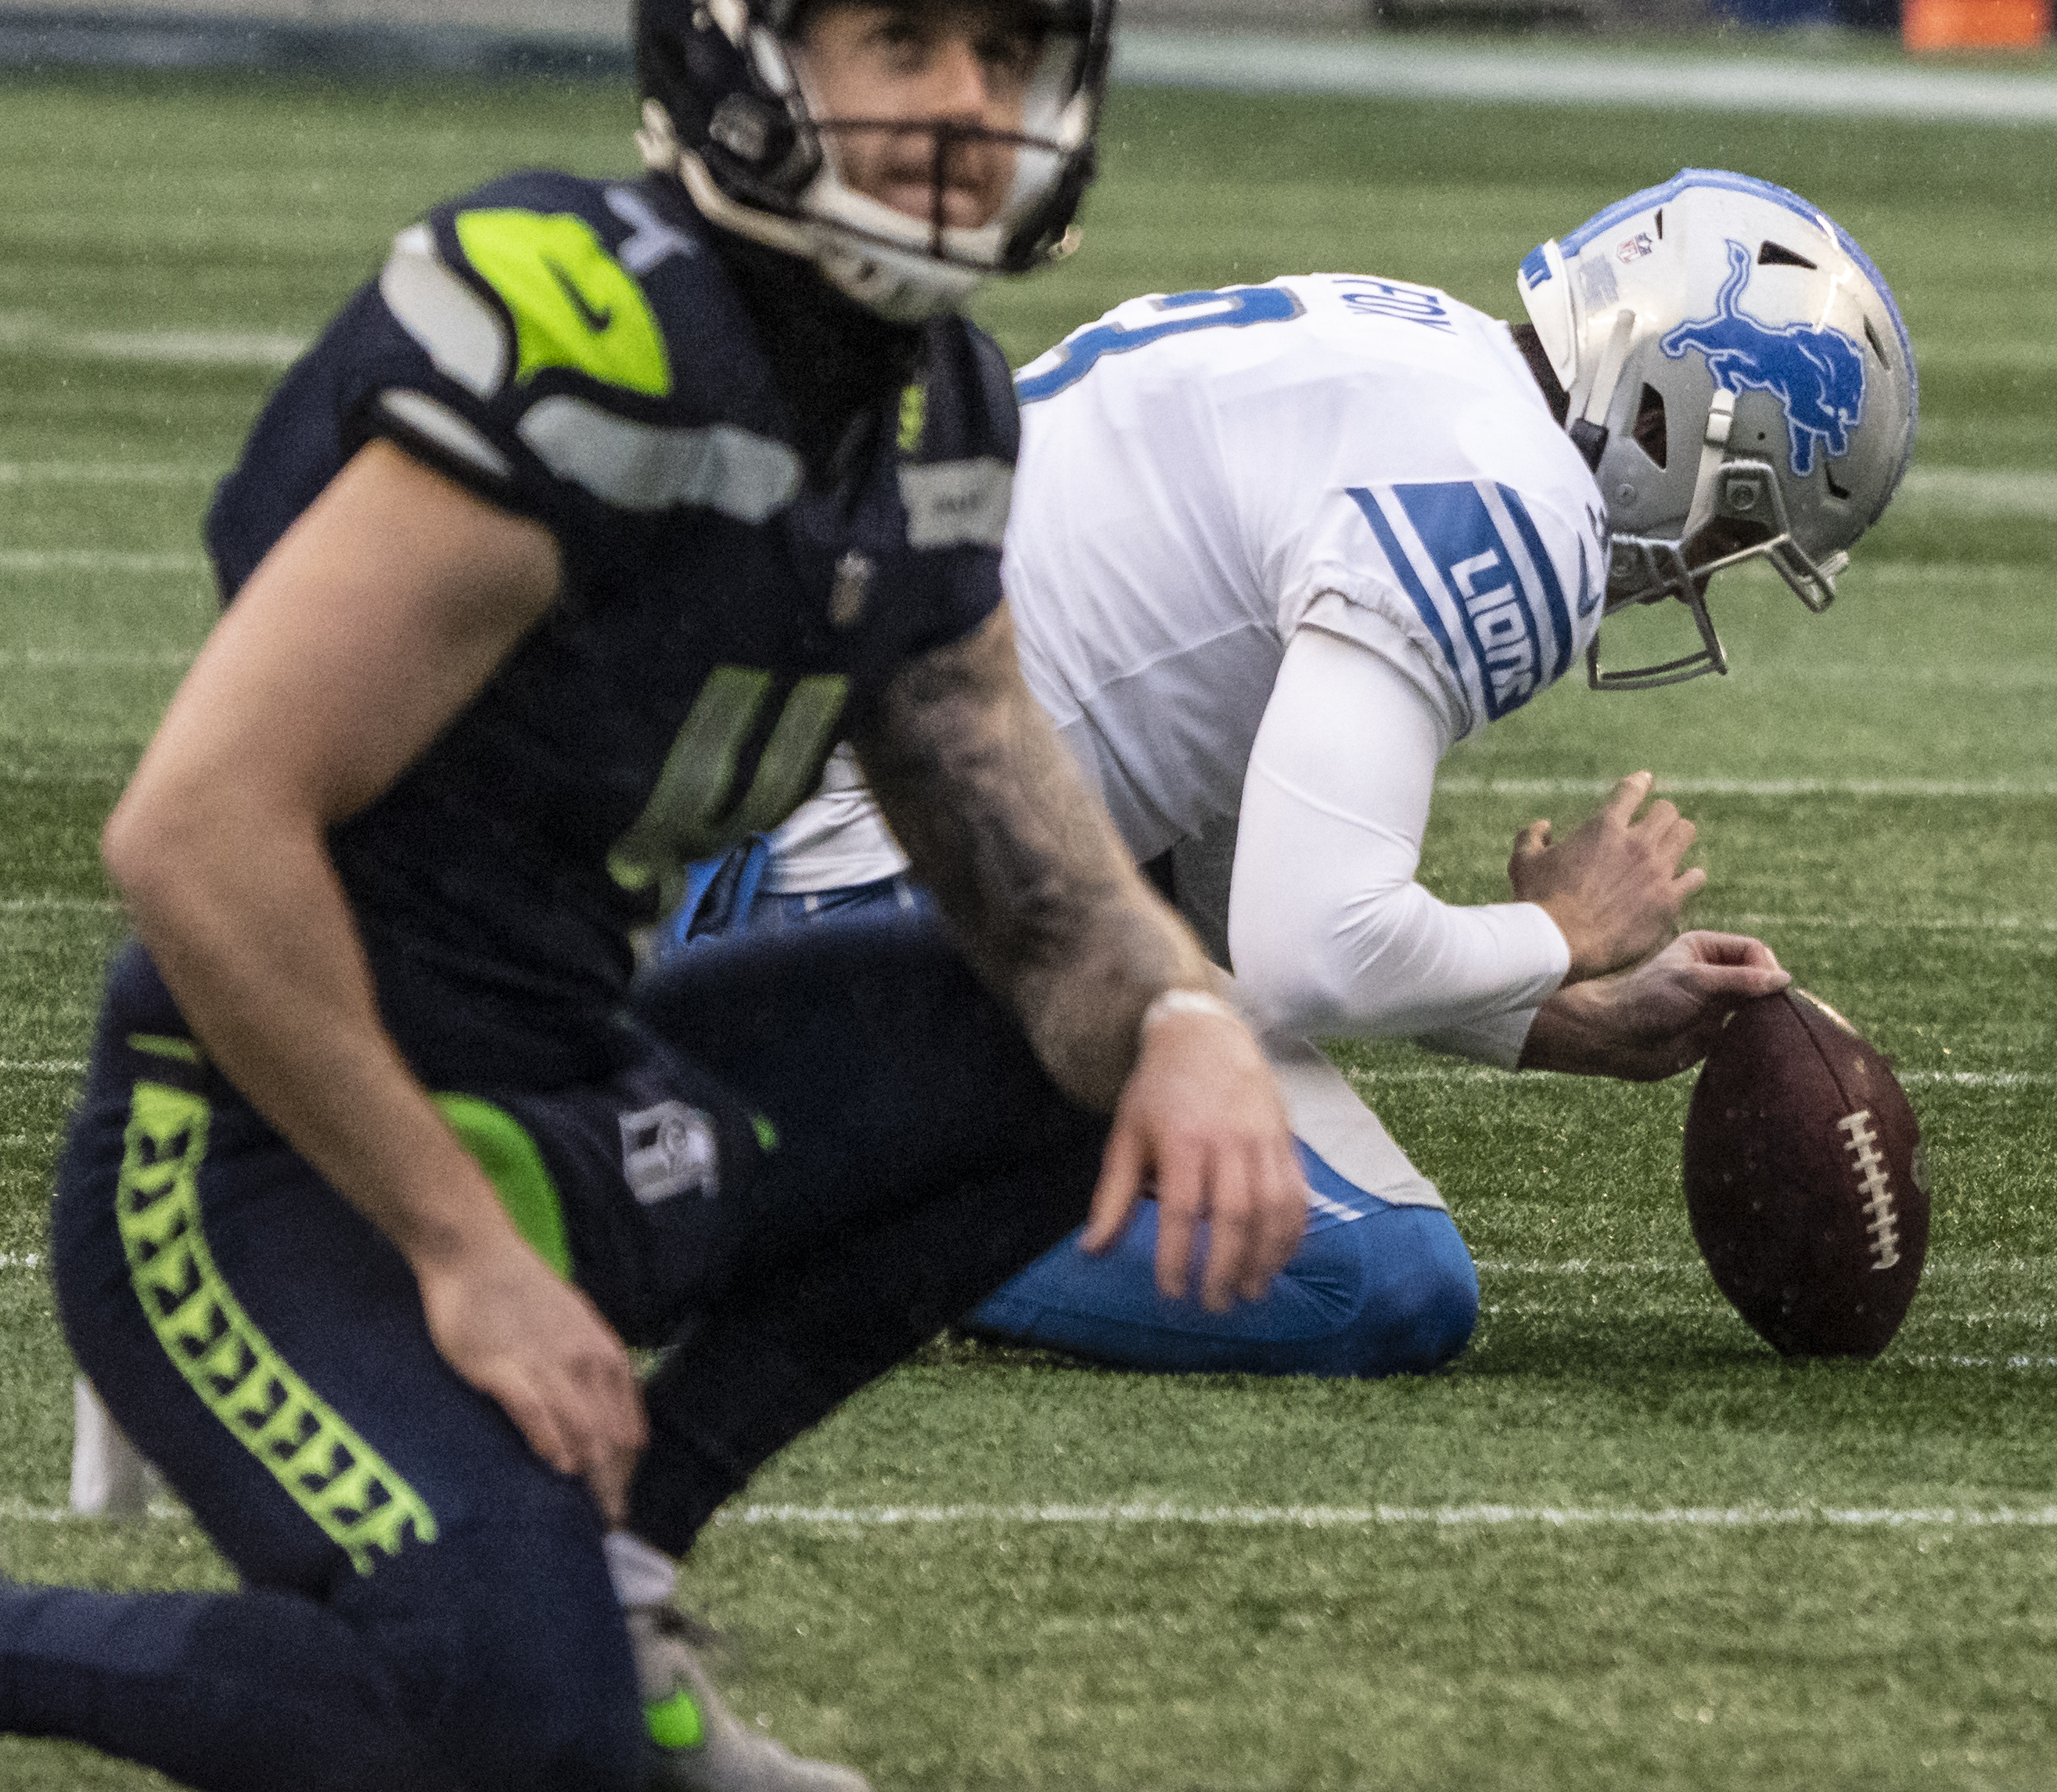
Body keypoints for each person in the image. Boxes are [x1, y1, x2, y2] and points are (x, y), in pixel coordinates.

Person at [0, 0, 1310, 1792]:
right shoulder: (585, 337)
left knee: (1098, 1057)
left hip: (564, 1101)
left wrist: (1188, 1020)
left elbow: (1034, 889)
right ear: (732, 45)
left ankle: (615, 1573)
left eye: (1004, 51)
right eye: (894, 34)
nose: (957, 102)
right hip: (262, 1155)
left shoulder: (924, 413)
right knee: (505, 1746)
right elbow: (192, 833)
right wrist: (461, 1250)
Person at [670, 168, 1919, 1376]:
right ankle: (838, 1224)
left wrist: (1553, 1018)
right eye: (1738, 522)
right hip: (854, 890)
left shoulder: (1424, 349)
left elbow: (1212, 843)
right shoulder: (1514, 499)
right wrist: (1558, 929)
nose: (1703, 568)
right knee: (1372, 1281)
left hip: (764, 813)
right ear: (1664, 417)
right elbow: (1311, 950)